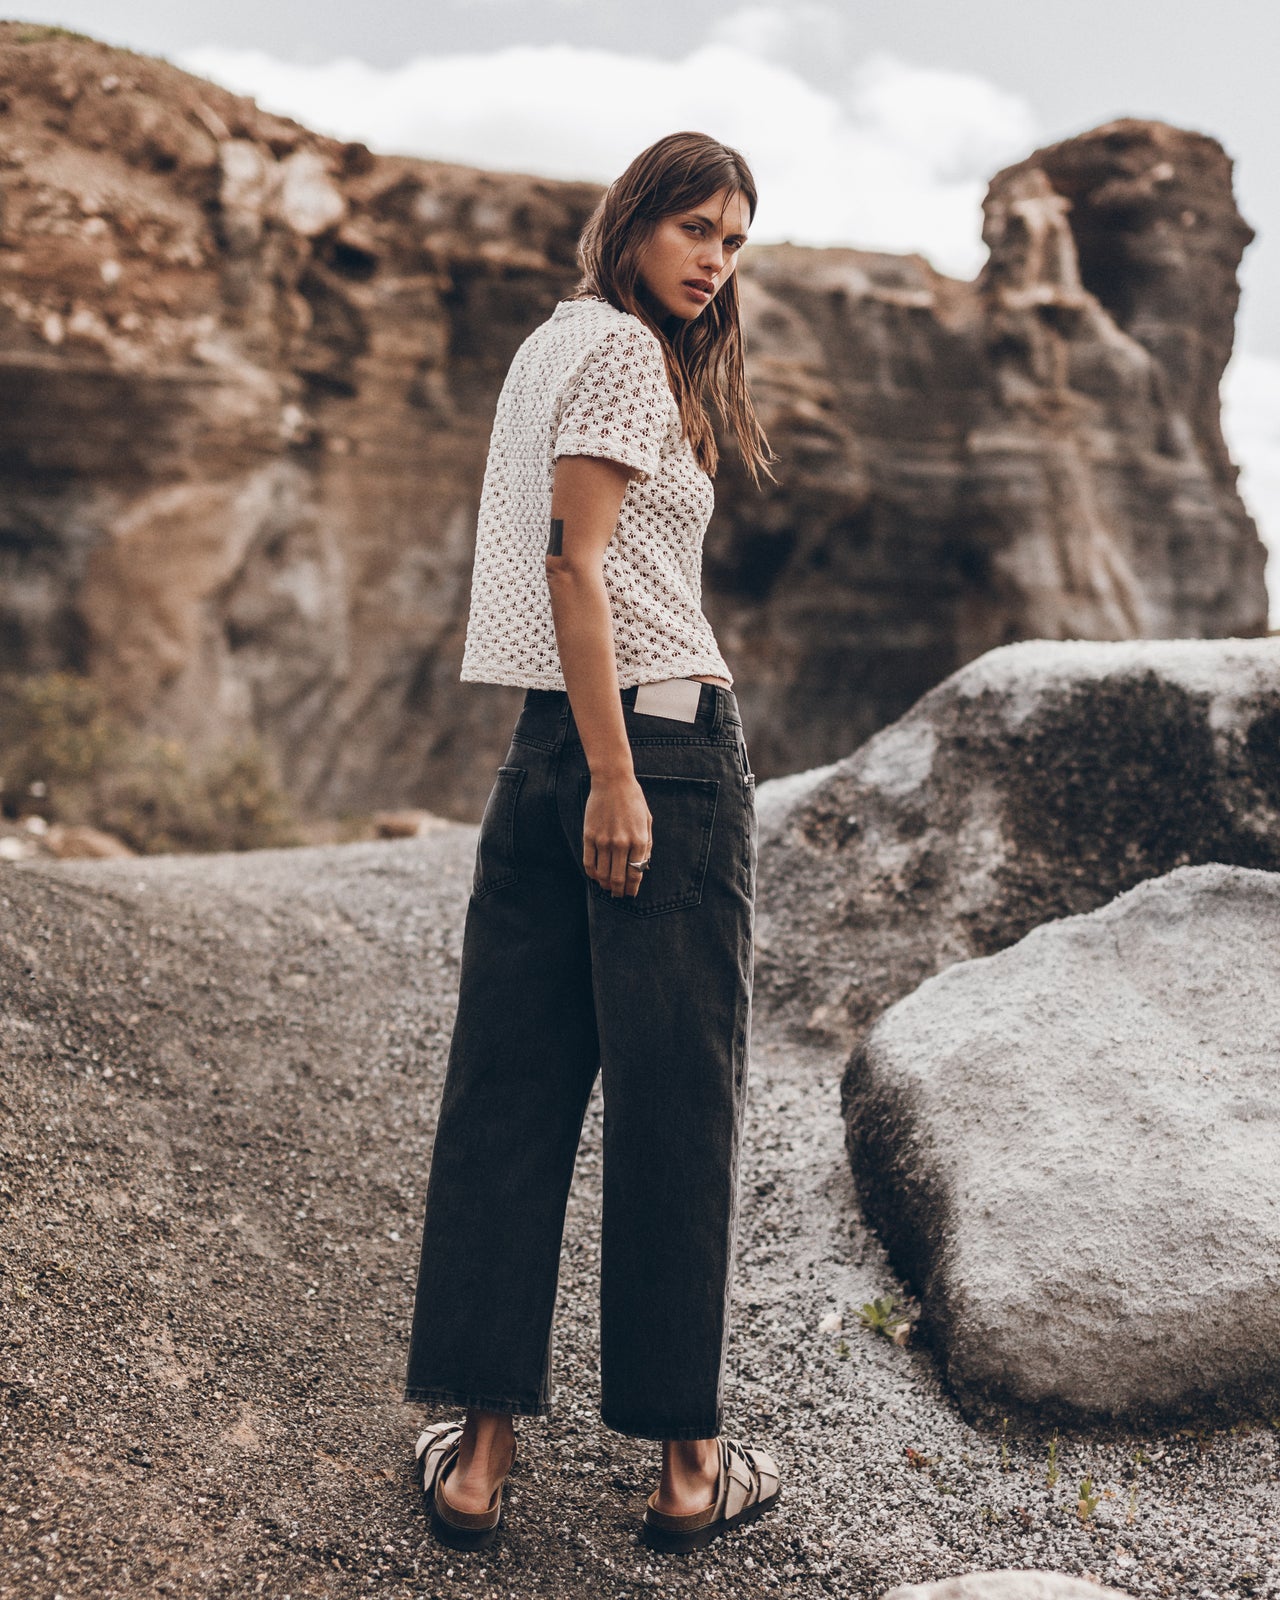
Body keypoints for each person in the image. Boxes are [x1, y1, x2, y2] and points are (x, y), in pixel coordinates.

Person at [404, 130, 780, 1555]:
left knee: (511, 1088)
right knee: (679, 1101)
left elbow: (565, 561)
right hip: (654, 753)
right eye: (696, 226)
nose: (714, 259)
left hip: (550, 745)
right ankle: (689, 1471)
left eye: (734, 241)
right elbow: (576, 565)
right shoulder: (624, 355)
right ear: (633, 222)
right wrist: (621, 780)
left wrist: (585, 765)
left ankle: (479, 1463)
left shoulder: (544, 350)